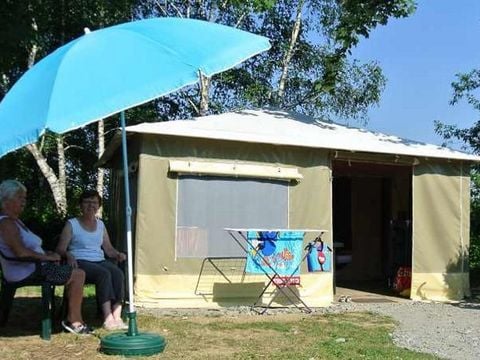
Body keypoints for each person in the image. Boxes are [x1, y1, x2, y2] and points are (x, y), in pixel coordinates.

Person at [0, 179, 92, 335]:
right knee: (78, 274)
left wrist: (46, 253)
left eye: (25, 198)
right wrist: (46, 258)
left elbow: (28, 248)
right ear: (6, 200)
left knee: (70, 269)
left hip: (33, 266)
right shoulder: (6, 223)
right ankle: (75, 321)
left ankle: (68, 314)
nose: (24, 201)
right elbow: (20, 252)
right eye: (20, 197)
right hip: (27, 271)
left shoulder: (15, 221)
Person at [56, 190, 127, 330]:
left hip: (99, 260)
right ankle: (107, 318)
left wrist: (118, 254)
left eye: (94, 202)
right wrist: (68, 254)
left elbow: (108, 249)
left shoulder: (101, 225)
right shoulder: (72, 224)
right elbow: (60, 248)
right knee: (104, 274)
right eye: (87, 202)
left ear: (98, 206)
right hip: (80, 261)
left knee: (117, 273)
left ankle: (117, 316)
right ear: (80, 206)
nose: (91, 205)